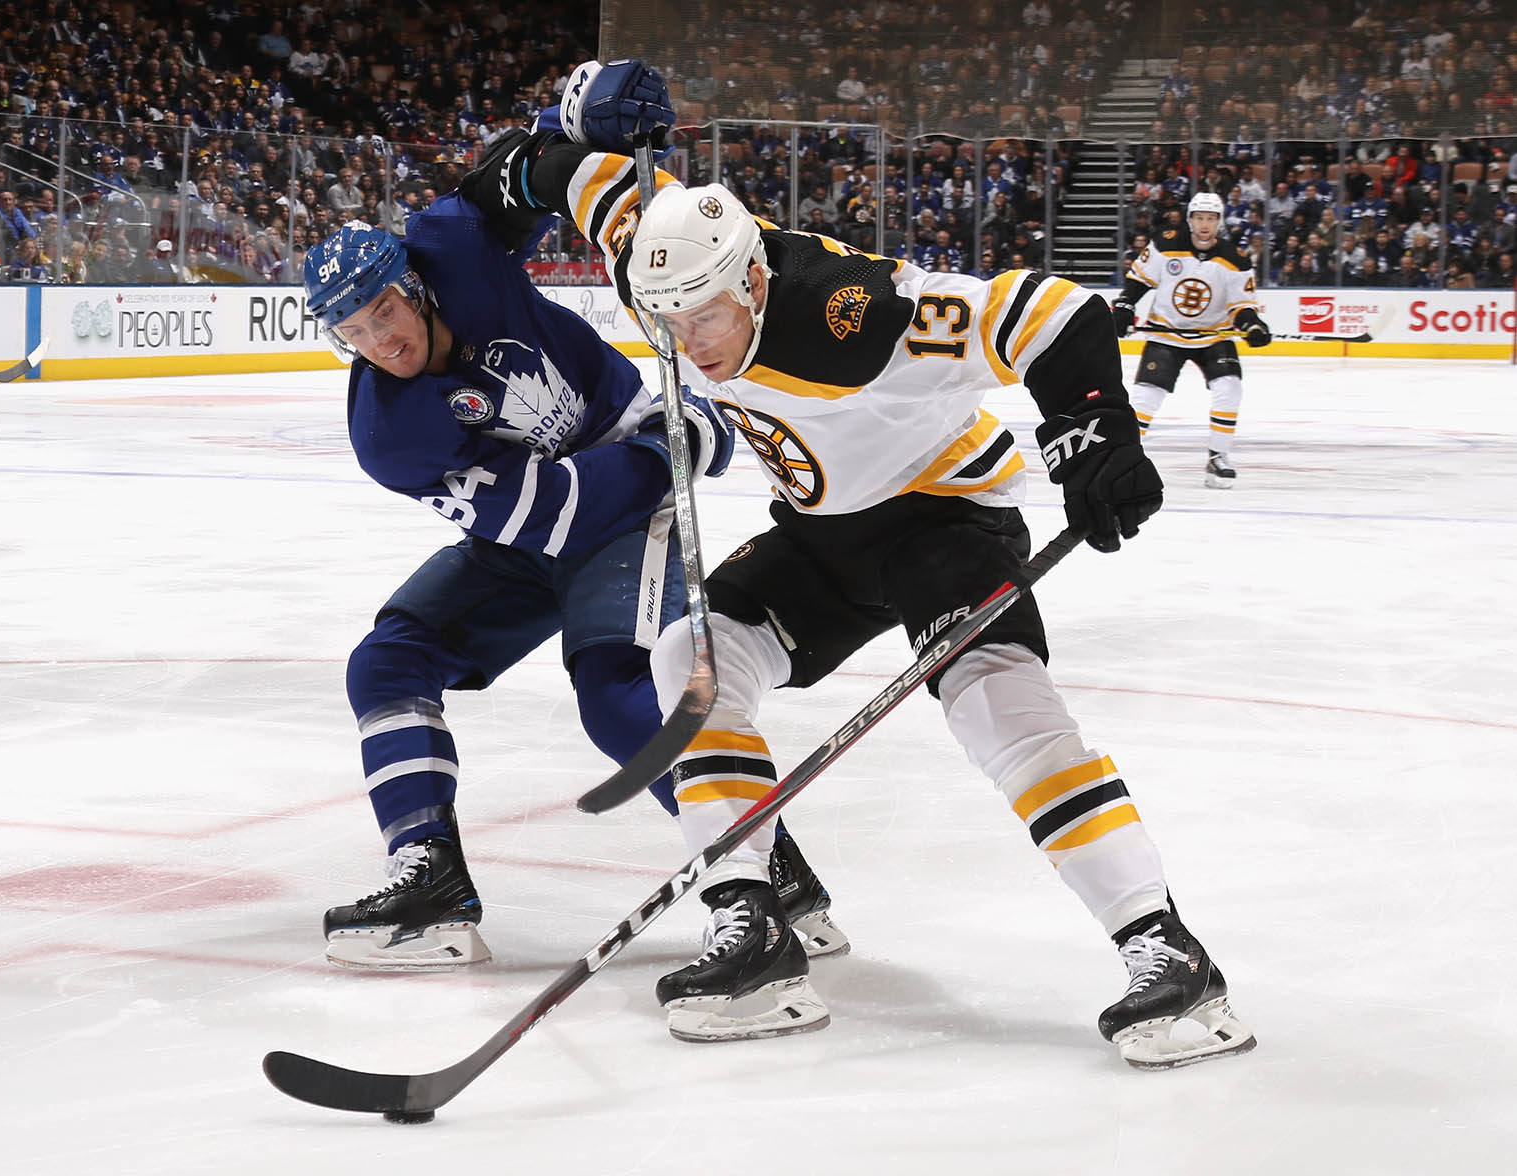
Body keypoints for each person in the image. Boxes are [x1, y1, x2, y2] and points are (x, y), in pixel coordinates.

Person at [471, 80, 1256, 1065]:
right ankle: (750, 926)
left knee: (995, 704)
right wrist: (532, 158)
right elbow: (601, 185)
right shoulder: (666, 254)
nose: (688, 348)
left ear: (753, 282)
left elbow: (1049, 312)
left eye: (705, 322)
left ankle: (1164, 952)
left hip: (943, 520)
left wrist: (1092, 432)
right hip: (821, 536)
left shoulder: (856, 319)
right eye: (666, 323)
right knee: (689, 660)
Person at [298, 60, 847, 973]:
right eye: (352, 331)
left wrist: (586, 123)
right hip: (559, 514)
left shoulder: (453, 249)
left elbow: (525, 170)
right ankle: (427, 870)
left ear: (417, 286)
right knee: (389, 661)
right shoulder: (389, 434)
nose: (378, 340)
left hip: (620, 496)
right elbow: (554, 518)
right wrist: (674, 450)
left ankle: (768, 878)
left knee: (619, 697)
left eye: (384, 309)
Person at [1113, 192, 1272, 488]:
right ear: (1190, 220)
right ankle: (1124, 459)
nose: (1204, 224)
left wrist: (1251, 323)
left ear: (1219, 222)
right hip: (1167, 333)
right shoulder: (1166, 243)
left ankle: (1218, 457)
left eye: (1211, 219)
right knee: (1146, 397)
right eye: (1199, 217)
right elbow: (1139, 279)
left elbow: (1242, 305)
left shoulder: (1235, 259)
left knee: (1230, 388)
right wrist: (1125, 306)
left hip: (1213, 336)